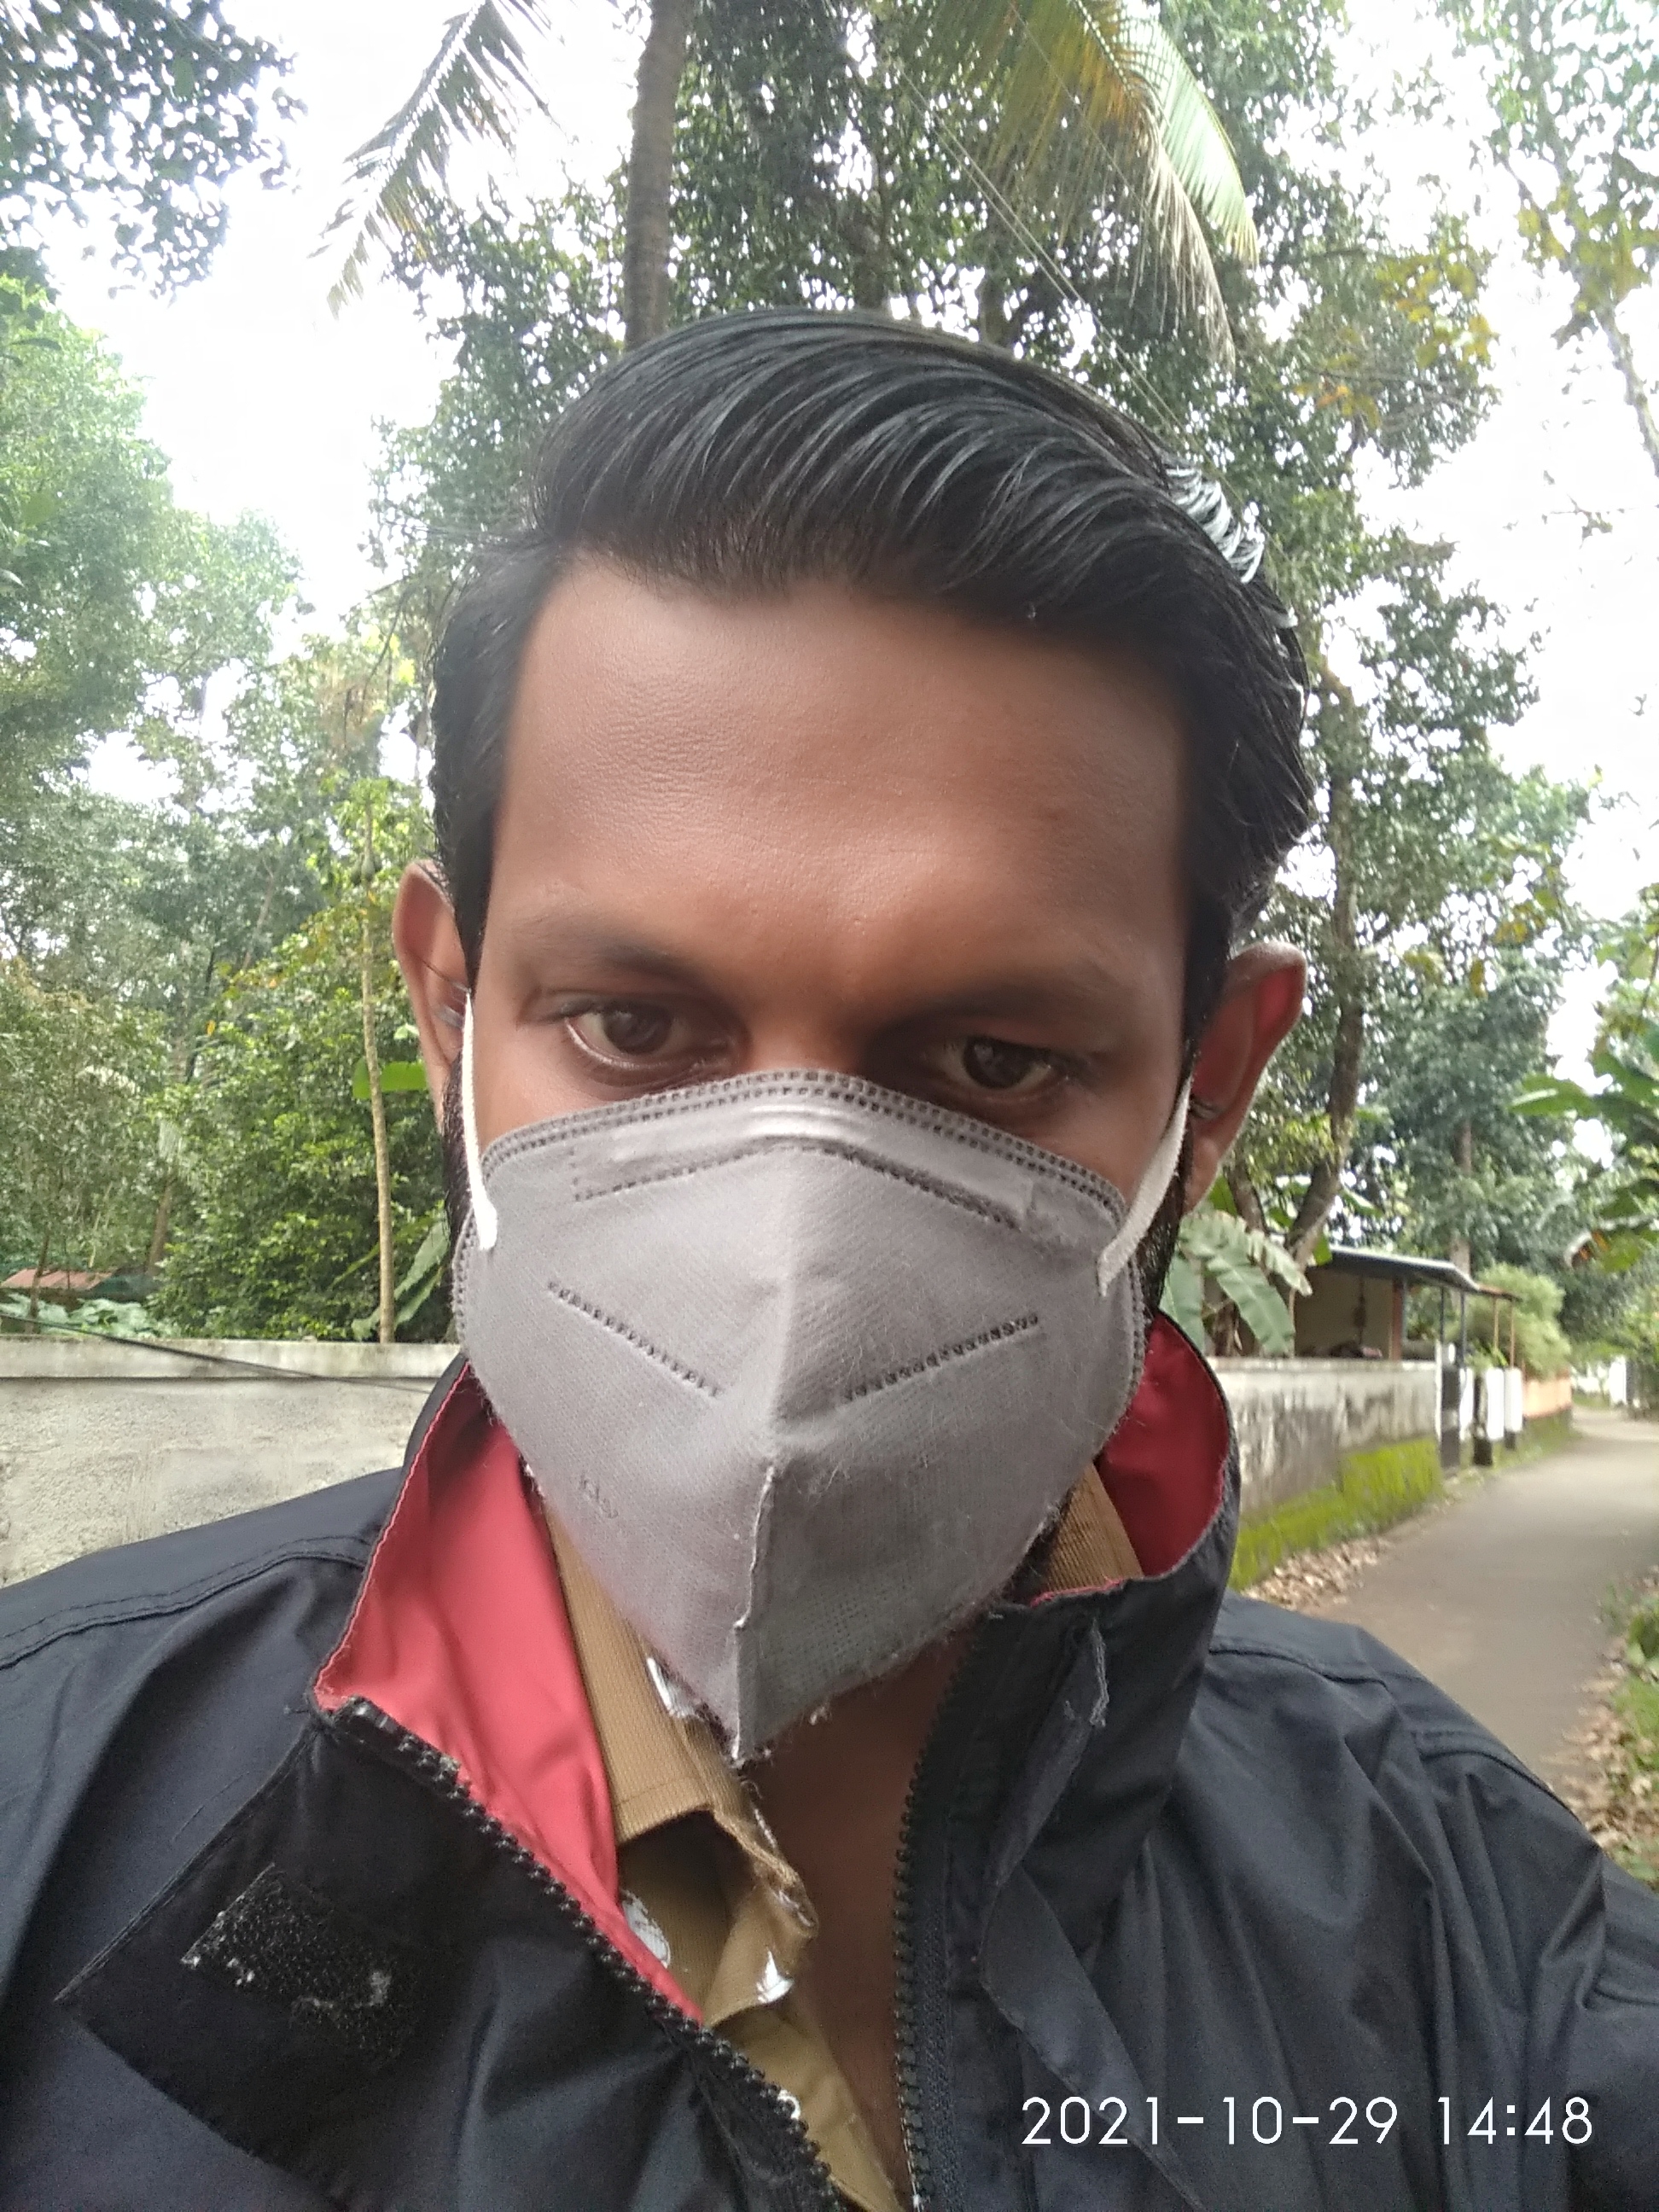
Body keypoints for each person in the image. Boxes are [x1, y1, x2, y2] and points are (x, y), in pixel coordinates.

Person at [0, 311, 1652, 2212]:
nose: (791, 1255)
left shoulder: (1451, 1920)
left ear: (1210, 1089)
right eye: (634, 1027)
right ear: (450, 1009)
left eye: (991, 1061)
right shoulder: (45, 1815)